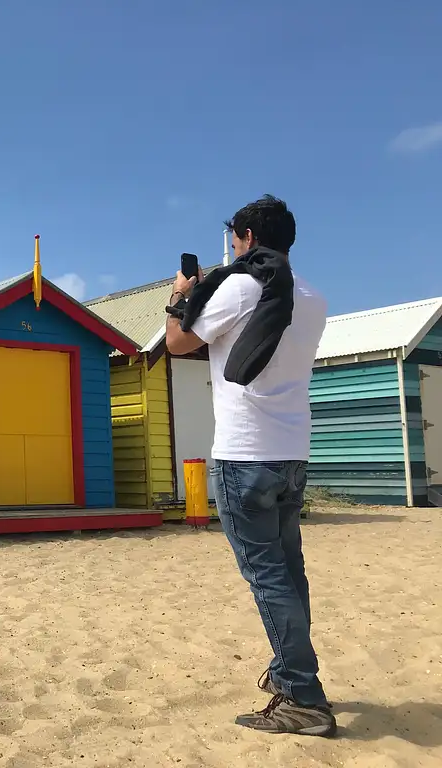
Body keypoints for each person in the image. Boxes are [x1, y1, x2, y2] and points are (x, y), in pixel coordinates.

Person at [165, 195, 335, 737]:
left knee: (267, 579)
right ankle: (292, 677)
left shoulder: (240, 287)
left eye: (234, 239)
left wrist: (181, 296)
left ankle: (304, 697)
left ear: (245, 237)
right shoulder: (312, 297)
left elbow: (176, 344)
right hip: (292, 453)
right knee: (289, 572)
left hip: (245, 454)